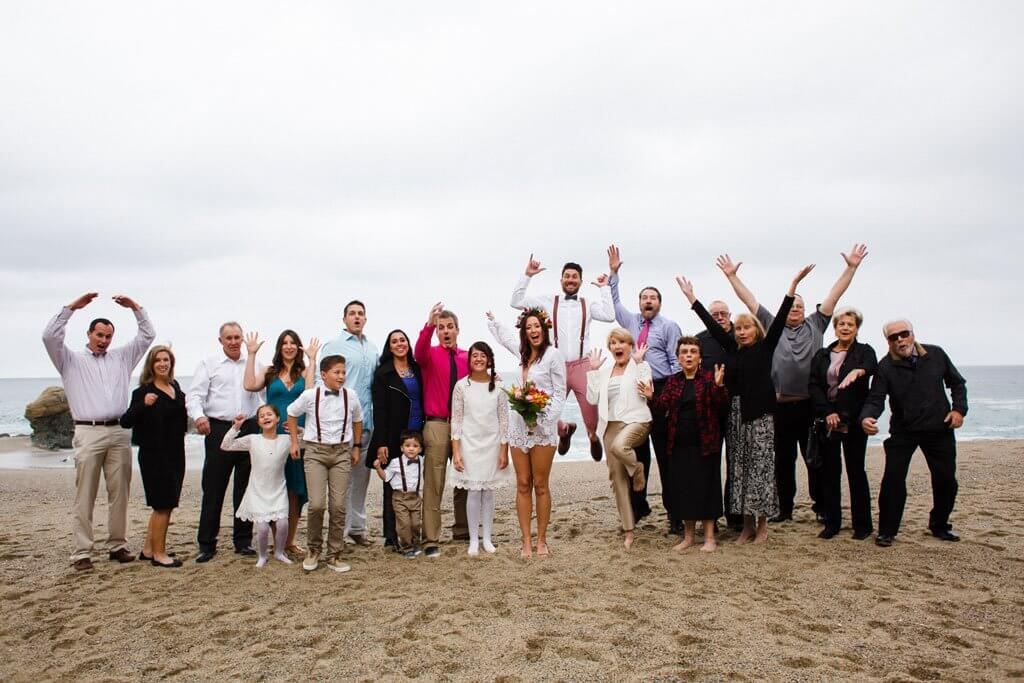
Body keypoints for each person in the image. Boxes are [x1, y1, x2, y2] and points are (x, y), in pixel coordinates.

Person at [715, 246, 868, 524]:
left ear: (806, 311)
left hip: (811, 405)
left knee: (814, 459)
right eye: (792, 306)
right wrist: (731, 277)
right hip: (780, 406)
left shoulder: (816, 325)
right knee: (782, 461)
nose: (795, 310)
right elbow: (750, 302)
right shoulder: (771, 326)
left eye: (800, 306)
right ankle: (784, 509)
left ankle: (821, 507)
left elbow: (835, 295)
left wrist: (851, 268)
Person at [677, 265, 813, 544]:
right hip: (736, 414)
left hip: (761, 416)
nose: (741, 332)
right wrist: (693, 300)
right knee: (739, 471)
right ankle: (747, 526)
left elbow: (779, 319)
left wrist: (793, 285)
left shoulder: (766, 347)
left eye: (746, 328)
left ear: (756, 330)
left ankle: (762, 527)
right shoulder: (731, 349)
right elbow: (713, 327)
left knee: (761, 471)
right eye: (738, 329)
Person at [42, 292, 155, 571]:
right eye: (99, 335)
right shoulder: (70, 360)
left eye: (108, 336)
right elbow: (49, 337)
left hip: (118, 431)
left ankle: (117, 545)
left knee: (120, 493)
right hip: (88, 432)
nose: (103, 340)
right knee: (86, 493)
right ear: (90, 334)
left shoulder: (122, 358)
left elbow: (147, 335)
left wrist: (135, 308)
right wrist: (71, 308)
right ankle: (82, 551)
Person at [860, 319, 968, 548]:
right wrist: (866, 417)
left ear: (912, 334)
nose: (900, 339)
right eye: (893, 337)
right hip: (904, 431)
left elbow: (957, 383)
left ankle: (939, 525)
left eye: (904, 334)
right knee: (893, 480)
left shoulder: (936, 355)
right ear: (888, 341)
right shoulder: (885, 366)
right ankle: (887, 531)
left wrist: (958, 410)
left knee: (946, 480)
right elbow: (875, 398)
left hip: (939, 429)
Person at [510, 254, 616, 460]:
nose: (570, 280)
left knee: (591, 416)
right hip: (554, 366)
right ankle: (564, 429)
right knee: (544, 409)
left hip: (582, 365)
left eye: (574, 277)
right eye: (567, 276)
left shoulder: (588, 304)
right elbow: (515, 301)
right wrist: (527, 276)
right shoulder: (548, 301)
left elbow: (610, 315)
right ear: (561, 280)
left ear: (580, 282)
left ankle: (593, 437)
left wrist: (604, 288)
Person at [607, 244, 683, 529]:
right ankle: (639, 508)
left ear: (659, 303)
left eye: (652, 298)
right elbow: (614, 304)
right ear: (639, 303)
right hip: (634, 393)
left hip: (661, 390)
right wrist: (614, 273)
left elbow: (676, 364)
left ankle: (675, 515)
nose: (648, 301)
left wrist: (672, 398)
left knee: (666, 455)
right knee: (638, 455)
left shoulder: (669, 326)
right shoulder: (630, 322)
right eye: (643, 298)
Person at [488, 308, 567, 558]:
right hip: (519, 425)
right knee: (523, 483)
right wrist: (496, 323)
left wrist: (544, 421)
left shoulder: (553, 355)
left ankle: (542, 540)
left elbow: (559, 391)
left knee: (540, 484)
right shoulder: (523, 355)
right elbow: (508, 341)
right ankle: (525, 541)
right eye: (529, 327)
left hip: (542, 427)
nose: (533, 331)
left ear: (545, 329)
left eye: (537, 326)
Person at [187, 322, 264, 563]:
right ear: (220, 340)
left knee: (245, 488)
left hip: (249, 427)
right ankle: (207, 544)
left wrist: (266, 419)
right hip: (219, 428)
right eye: (228, 338)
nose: (233, 341)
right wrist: (198, 417)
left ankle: (242, 541)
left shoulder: (254, 364)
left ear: (242, 339)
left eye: (237, 337)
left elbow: (261, 397)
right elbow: (195, 395)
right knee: (213, 488)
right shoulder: (209, 364)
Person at [646, 337, 729, 552]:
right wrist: (650, 397)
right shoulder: (673, 381)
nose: (689, 355)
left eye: (693, 351)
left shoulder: (710, 379)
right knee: (684, 489)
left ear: (700, 357)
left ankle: (710, 537)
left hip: (706, 444)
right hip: (679, 444)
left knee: (707, 488)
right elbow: (661, 407)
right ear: (678, 358)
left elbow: (722, 408)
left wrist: (720, 387)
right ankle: (689, 537)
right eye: (684, 352)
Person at [242, 330, 320, 557]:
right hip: (271, 435)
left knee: (295, 488)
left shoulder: (303, 371)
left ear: (298, 347)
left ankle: (288, 541)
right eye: (284, 343)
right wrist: (251, 354)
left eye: (293, 343)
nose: (289, 347)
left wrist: (313, 359)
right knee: (272, 485)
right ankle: (275, 539)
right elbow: (248, 384)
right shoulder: (269, 371)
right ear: (279, 347)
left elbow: (309, 393)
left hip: (296, 435)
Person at [287, 355, 363, 573]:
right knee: (317, 504)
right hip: (315, 452)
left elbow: (358, 420)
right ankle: (313, 550)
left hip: (341, 453)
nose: (341, 376)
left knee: (338, 505)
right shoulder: (311, 395)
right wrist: (294, 442)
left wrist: (356, 446)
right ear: (323, 375)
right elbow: (291, 413)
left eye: (343, 372)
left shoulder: (351, 395)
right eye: (336, 372)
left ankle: (335, 554)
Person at [808, 308, 877, 540]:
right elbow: (815, 385)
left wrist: (859, 370)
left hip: (854, 420)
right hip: (829, 420)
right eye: (841, 324)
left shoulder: (864, 351)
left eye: (850, 324)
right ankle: (832, 522)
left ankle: (862, 525)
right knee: (829, 472)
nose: (845, 328)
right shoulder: (822, 355)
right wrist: (827, 412)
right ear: (835, 328)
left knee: (856, 471)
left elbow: (872, 366)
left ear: (857, 328)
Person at [317, 301, 379, 547]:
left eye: (361, 314)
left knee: (361, 480)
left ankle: (357, 528)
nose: (356, 317)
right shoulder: (334, 345)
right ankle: (338, 534)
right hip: (342, 424)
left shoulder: (372, 348)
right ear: (344, 319)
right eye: (352, 313)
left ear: (365, 319)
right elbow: (321, 380)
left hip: (367, 422)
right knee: (341, 482)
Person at [119, 345, 186, 568]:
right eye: (158, 360)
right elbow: (125, 421)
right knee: (162, 504)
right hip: (154, 455)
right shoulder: (143, 392)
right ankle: (160, 554)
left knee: (167, 502)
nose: (163, 364)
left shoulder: (174, 386)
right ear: (151, 364)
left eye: (166, 360)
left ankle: (149, 549)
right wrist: (142, 405)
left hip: (175, 452)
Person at [585, 329, 652, 549]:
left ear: (630, 345)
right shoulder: (604, 372)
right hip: (611, 425)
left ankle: (637, 467)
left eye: (621, 341)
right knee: (618, 480)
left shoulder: (639, 367)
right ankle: (629, 530)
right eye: (612, 342)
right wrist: (593, 371)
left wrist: (641, 363)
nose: (617, 346)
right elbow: (592, 398)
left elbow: (646, 392)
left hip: (637, 421)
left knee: (619, 446)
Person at [414, 303, 470, 558]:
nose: (445, 331)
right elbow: (418, 352)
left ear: (458, 330)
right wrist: (428, 324)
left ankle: (463, 530)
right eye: (441, 328)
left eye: (449, 327)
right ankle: (431, 539)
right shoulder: (429, 355)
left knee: (464, 480)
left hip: (464, 425)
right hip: (436, 423)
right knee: (434, 483)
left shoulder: (468, 357)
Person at [450, 341, 512, 556]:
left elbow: (504, 421)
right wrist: (456, 450)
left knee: (488, 491)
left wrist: (504, 450)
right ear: (469, 360)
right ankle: (473, 540)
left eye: (482, 355)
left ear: (489, 360)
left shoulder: (499, 387)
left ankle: (487, 538)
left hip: (493, 444)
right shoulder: (461, 386)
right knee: (474, 490)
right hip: (469, 444)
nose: (478, 359)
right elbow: (456, 420)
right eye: (474, 355)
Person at [369, 329, 425, 552]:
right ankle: (391, 536)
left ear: (408, 344)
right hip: (393, 435)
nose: (400, 344)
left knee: (414, 481)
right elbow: (379, 410)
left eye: (403, 340)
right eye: (394, 341)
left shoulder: (417, 369)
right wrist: (381, 441)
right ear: (389, 347)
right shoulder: (384, 373)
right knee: (392, 485)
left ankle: (413, 534)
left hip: (418, 433)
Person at [222, 406, 294, 568]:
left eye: (269, 414)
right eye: (261, 416)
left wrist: (297, 430)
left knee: (282, 524)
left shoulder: (285, 440)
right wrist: (236, 427)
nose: (265, 417)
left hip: (278, 490)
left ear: (277, 418)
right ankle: (262, 556)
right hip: (257, 491)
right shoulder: (253, 439)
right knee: (262, 529)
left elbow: (305, 442)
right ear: (258, 422)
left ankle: (279, 552)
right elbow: (226, 445)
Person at [695, 300, 742, 531]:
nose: (720, 317)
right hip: (709, 410)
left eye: (723, 313)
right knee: (709, 464)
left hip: (736, 408)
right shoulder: (700, 340)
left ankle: (735, 517)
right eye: (715, 314)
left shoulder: (741, 336)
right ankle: (710, 516)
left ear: (730, 315)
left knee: (735, 464)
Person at [374, 430, 424, 559]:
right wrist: (379, 468)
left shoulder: (422, 461)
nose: (411, 449)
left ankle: (415, 543)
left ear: (420, 449)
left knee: (416, 523)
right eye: (407, 446)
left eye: (415, 446)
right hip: (400, 498)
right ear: (402, 448)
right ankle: (406, 547)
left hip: (415, 497)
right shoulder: (396, 462)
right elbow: (386, 477)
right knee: (404, 524)